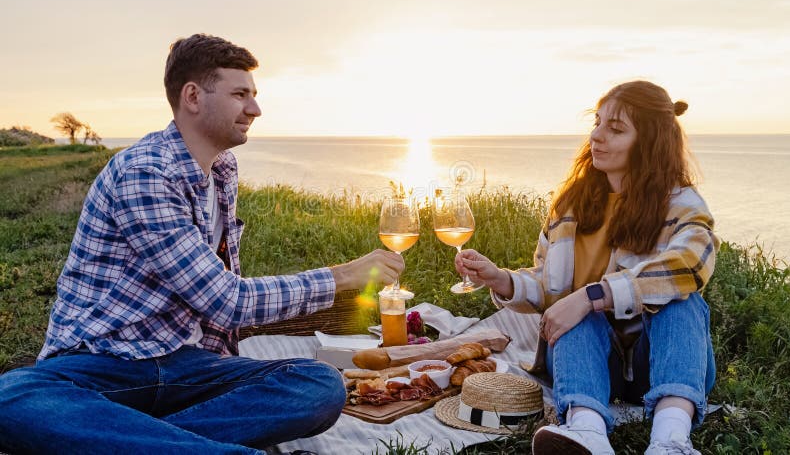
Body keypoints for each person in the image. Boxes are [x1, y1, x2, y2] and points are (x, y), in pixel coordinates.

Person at [0, 34, 404, 454]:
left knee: (318, 384)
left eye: (254, 95)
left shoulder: (222, 169)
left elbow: (220, 312)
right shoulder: (145, 173)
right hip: (104, 364)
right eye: (240, 94)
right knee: (12, 396)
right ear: (193, 96)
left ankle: (122, 437)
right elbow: (228, 302)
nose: (255, 109)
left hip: (184, 364)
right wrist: (343, 276)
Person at [455, 81, 717, 454]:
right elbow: (549, 285)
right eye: (597, 122)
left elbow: (691, 264)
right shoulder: (571, 205)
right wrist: (501, 278)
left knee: (682, 302)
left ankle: (671, 440)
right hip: (594, 365)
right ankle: (588, 433)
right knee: (570, 315)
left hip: (660, 361)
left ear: (650, 142)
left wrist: (594, 295)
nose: (597, 136)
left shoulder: (680, 203)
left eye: (615, 129)